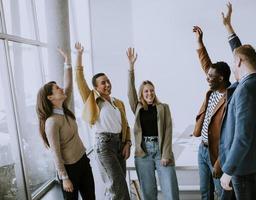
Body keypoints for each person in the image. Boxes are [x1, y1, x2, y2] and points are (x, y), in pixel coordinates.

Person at [219, 3, 256, 200]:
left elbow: (243, 137)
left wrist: (228, 170)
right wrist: (228, 27)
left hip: (242, 167)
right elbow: (241, 54)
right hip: (249, 162)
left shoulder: (246, 90)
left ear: (239, 62)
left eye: (234, 62)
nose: (233, 65)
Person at [36, 45, 95, 200]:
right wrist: (64, 177)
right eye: (57, 88)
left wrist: (68, 61)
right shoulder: (51, 122)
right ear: (50, 98)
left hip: (83, 162)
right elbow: (55, 152)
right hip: (69, 170)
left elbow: (68, 85)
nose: (61, 89)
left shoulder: (64, 109)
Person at [75, 43, 131, 200]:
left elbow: (126, 126)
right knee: (118, 187)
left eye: (108, 81)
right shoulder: (92, 100)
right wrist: (79, 55)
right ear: (95, 88)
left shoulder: (118, 103)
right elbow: (79, 80)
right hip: (104, 145)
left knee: (116, 188)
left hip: (119, 144)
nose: (107, 84)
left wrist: (127, 143)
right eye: (103, 83)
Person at [126, 47, 180, 200]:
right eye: (146, 91)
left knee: (170, 190)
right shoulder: (137, 108)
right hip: (143, 152)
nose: (149, 93)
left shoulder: (163, 108)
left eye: (152, 90)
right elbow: (130, 91)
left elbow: (168, 131)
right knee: (148, 192)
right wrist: (131, 68)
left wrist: (166, 154)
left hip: (161, 150)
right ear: (141, 94)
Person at [192, 25, 235, 200]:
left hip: (217, 154)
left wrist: (219, 161)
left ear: (221, 78)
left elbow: (230, 135)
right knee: (205, 192)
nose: (207, 78)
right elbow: (206, 64)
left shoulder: (231, 98)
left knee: (222, 192)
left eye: (211, 76)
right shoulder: (213, 89)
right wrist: (199, 43)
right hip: (202, 149)